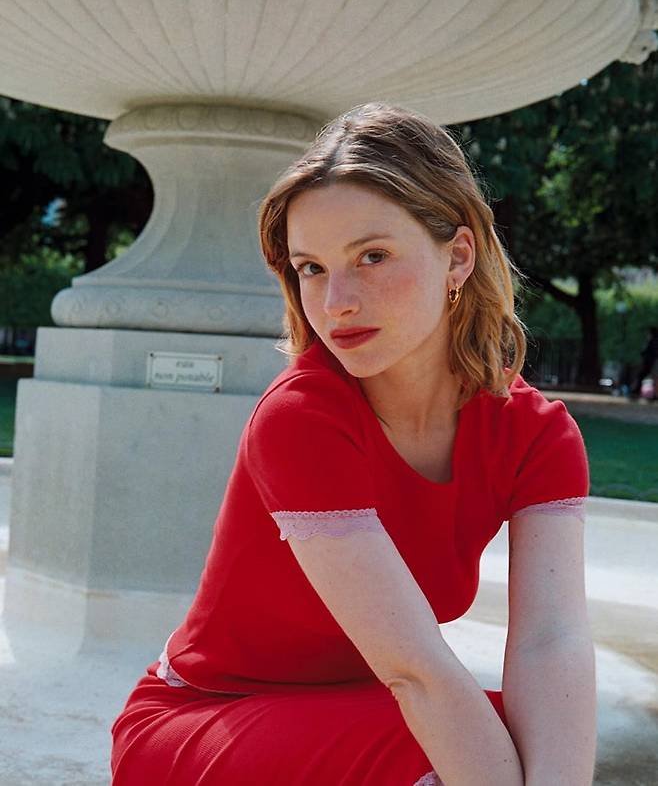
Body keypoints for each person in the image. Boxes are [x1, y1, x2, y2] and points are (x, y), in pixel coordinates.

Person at [110, 102, 596, 785]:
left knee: (527, 740)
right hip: (207, 716)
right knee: (454, 756)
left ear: (458, 256)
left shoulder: (537, 434)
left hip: (355, 713)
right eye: (311, 267)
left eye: (373, 256)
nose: (336, 300)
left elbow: (552, 641)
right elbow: (416, 672)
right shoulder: (300, 418)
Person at [629, 325, 658, 400]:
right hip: (651, 363)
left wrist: (643, 354)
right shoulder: (654, 341)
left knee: (642, 376)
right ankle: (653, 395)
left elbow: (647, 352)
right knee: (652, 379)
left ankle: (636, 393)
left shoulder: (652, 341)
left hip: (650, 363)